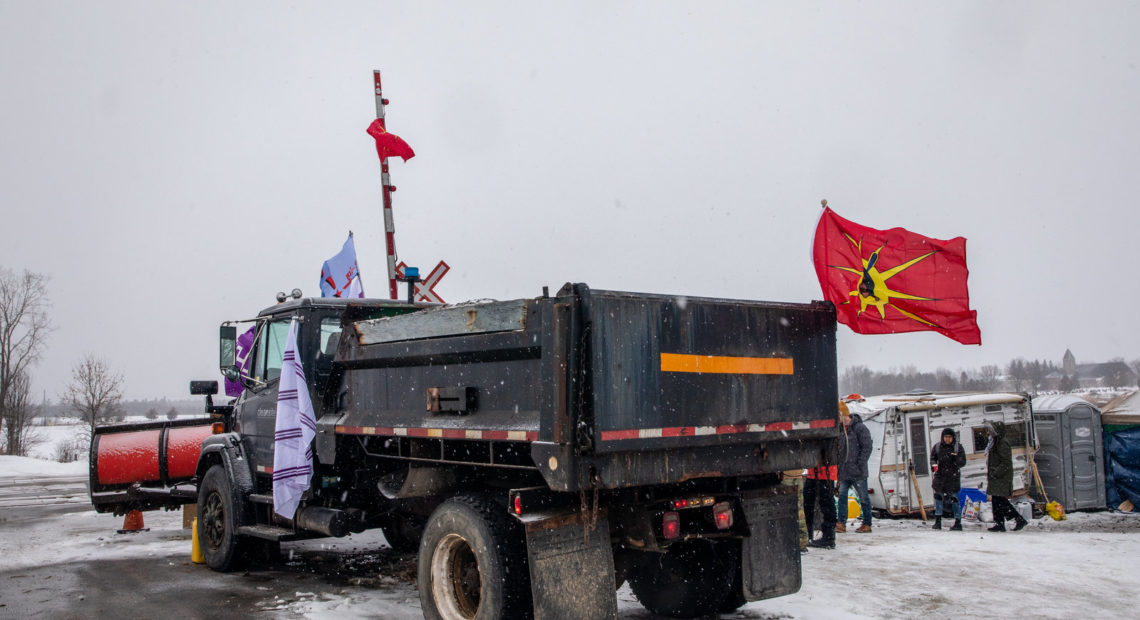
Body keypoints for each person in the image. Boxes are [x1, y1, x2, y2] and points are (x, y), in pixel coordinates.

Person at [836, 400, 873, 533]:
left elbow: (867, 447)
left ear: (844, 415)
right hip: (845, 471)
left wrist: (860, 463)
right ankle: (841, 523)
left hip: (858, 471)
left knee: (864, 498)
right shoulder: (841, 430)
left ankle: (867, 523)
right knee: (842, 497)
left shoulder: (859, 428)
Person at [984, 421, 1028, 532]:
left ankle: (1018, 519)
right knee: (996, 500)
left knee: (1001, 501)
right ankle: (1000, 523)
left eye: (990, 430)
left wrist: (996, 473)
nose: (988, 432)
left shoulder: (1002, 443)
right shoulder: (995, 442)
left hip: (1001, 477)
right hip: (997, 477)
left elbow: (1006, 462)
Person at [930, 427, 966, 531]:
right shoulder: (937, 447)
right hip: (940, 477)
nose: (947, 439)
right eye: (946, 437)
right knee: (938, 498)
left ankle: (958, 521)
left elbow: (963, 462)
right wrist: (933, 465)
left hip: (953, 477)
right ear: (942, 437)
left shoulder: (957, 447)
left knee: (954, 499)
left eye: (950, 437)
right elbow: (932, 459)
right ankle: (938, 521)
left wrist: (956, 459)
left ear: (953, 437)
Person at [805, 459, 838, 549]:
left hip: (825, 473)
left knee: (826, 504)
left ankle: (829, 537)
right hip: (815, 472)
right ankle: (809, 534)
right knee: (809, 504)